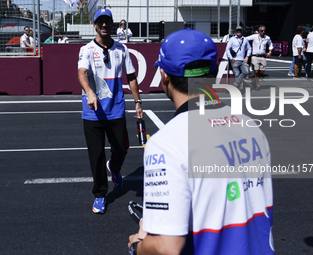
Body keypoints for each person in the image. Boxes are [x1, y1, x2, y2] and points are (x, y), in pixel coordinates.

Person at [128, 28, 274, 255]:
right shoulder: (251, 127)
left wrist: (139, 245)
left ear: (164, 76)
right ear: (214, 72)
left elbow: (167, 247)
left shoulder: (166, 143)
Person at [78, 8, 143, 214]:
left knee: (122, 148)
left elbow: (131, 76)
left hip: (116, 110)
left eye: (108, 21)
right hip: (93, 112)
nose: (104, 25)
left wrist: (138, 102)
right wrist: (89, 91)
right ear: (95, 25)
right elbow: (81, 73)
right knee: (96, 155)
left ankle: (114, 168)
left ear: (112, 24)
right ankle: (100, 195)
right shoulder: (86, 49)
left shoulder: (121, 49)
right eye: (101, 22)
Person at [246, 25, 273, 91]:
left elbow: (271, 45)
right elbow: (245, 39)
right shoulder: (254, 36)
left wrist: (269, 52)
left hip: (263, 56)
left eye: (264, 31)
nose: (263, 32)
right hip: (255, 56)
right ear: (259, 31)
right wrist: (247, 48)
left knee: (262, 72)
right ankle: (257, 85)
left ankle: (255, 81)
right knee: (256, 71)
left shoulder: (267, 38)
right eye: (262, 31)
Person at [226, 26, 252, 93]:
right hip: (235, 60)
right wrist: (231, 58)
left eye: (240, 30)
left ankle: (235, 85)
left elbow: (250, 48)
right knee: (237, 74)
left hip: (243, 60)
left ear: (242, 31)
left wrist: (247, 56)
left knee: (246, 71)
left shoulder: (245, 39)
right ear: (235, 31)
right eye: (237, 30)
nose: (238, 32)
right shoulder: (232, 39)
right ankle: (241, 88)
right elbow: (227, 49)